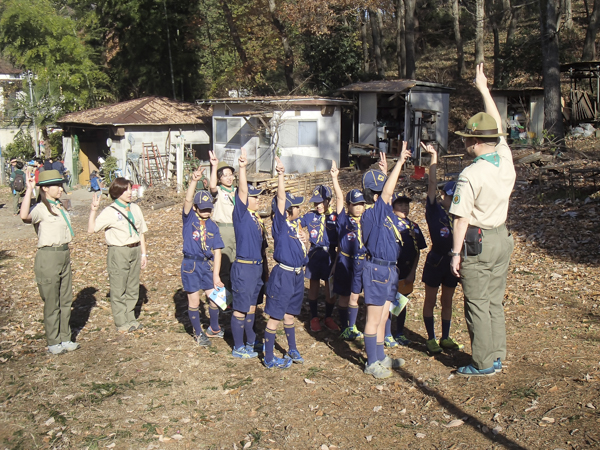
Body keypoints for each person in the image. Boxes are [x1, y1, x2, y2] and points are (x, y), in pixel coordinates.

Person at [450, 63, 516, 377]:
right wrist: (483, 89)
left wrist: (454, 254)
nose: (464, 143)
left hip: (478, 242)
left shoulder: (470, 173)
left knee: (476, 302)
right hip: (502, 237)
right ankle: (497, 354)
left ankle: (482, 362)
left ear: (476, 143)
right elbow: (498, 125)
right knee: (493, 300)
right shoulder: (504, 157)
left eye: (466, 139)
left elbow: (460, 220)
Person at [360, 143, 411, 379]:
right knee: (373, 318)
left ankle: (380, 356)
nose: (390, 198)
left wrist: (386, 171)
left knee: (382, 317)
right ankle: (371, 362)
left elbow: (388, 191)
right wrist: (399, 162)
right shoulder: (373, 212)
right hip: (376, 270)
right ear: (376, 195)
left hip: (389, 270)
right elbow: (388, 193)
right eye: (383, 191)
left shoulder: (385, 212)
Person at [20, 170, 79, 354]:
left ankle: (65, 337)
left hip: (63, 254)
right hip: (48, 256)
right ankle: (53, 341)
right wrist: (29, 190)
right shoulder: (41, 208)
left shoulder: (59, 206)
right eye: (57, 186)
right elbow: (24, 216)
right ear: (45, 188)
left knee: (65, 298)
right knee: (52, 300)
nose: (61, 189)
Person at [263, 156, 309, 369]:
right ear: (288, 211)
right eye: (296, 206)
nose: (300, 208)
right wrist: (281, 175)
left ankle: (292, 347)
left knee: (290, 314)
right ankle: (269, 357)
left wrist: (305, 243)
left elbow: (302, 252)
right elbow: (281, 200)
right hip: (283, 276)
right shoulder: (280, 224)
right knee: (275, 316)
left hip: (297, 275)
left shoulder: (295, 227)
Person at [88, 178, 149, 332]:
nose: (130, 192)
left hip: (135, 249)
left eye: (130, 189)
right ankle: (121, 322)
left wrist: (144, 254)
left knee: (133, 286)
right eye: (125, 190)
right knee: (118, 287)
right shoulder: (110, 211)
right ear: (117, 192)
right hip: (118, 251)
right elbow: (92, 229)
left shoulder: (135, 208)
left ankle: (131, 318)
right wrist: (93, 210)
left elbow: (141, 232)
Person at [420, 143, 462, 354]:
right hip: (435, 260)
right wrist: (434, 157)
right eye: (449, 196)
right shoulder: (433, 210)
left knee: (448, 300)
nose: (451, 200)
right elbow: (432, 181)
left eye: (455, 197)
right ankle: (430, 338)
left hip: (451, 261)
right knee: (431, 299)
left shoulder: (459, 215)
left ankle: (446, 337)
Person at [181, 166, 225, 346]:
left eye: (209, 208)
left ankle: (214, 327)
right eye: (203, 208)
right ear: (196, 207)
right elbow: (187, 199)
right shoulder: (189, 218)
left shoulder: (213, 226)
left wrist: (216, 274)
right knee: (194, 300)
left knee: (216, 297)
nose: (207, 211)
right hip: (191, 264)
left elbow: (218, 251)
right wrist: (194, 181)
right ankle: (198, 333)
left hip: (207, 265)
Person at [230, 148, 267, 359]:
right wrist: (242, 169)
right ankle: (238, 346)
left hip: (256, 267)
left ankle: (251, 342)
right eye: (255, 197)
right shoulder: (241, 214)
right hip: (243, 267)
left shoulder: (256, 218)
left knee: (252, 307)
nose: (258, 199)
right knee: (240, 309)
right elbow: (242, 192)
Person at [384, 193, 427, 348]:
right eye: (400, 205)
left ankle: (399, 332)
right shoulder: (388, 223)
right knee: (387, 302)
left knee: (401, 302)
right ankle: (386, 333)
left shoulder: (413, 226)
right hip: (391, 269)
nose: (404, 208)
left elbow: (418, 250)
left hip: (407, 271)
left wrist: (413, 271)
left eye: (406, 205)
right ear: (393, 207)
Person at [330, 161, 366, 340]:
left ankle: (352, 327)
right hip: (345, 261)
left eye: (361, 204)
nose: (359, 207)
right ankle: (344, 326)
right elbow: (338, 199)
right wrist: (335, 178)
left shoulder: (366, 221)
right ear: (349, 206)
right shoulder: (343, 220)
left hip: (361, 262)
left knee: (355, 297)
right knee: (344, 297)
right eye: (355, 204)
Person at [301, 185, 339, 332]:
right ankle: (314, 317)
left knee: (330, 287)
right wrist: (305, 236)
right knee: (314, 285)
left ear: (328, 201)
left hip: (330, 255)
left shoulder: (335, 217)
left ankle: (329, 317)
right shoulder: (310, 216)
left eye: (321, 202)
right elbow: (297, 223)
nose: (318, 206)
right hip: (315, 255)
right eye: (316, 203)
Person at [208, 152, 236, 292]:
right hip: (224, 229)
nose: (229, 177)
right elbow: (212, 186)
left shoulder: (237, 191)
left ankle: (235, 293)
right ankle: (224, 296)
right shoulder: (219, 191)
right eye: (225, 175)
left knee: (236, 263)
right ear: (219, 179)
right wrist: (214, 166)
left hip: (238, 229)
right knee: (224, 263)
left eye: (230, 174)